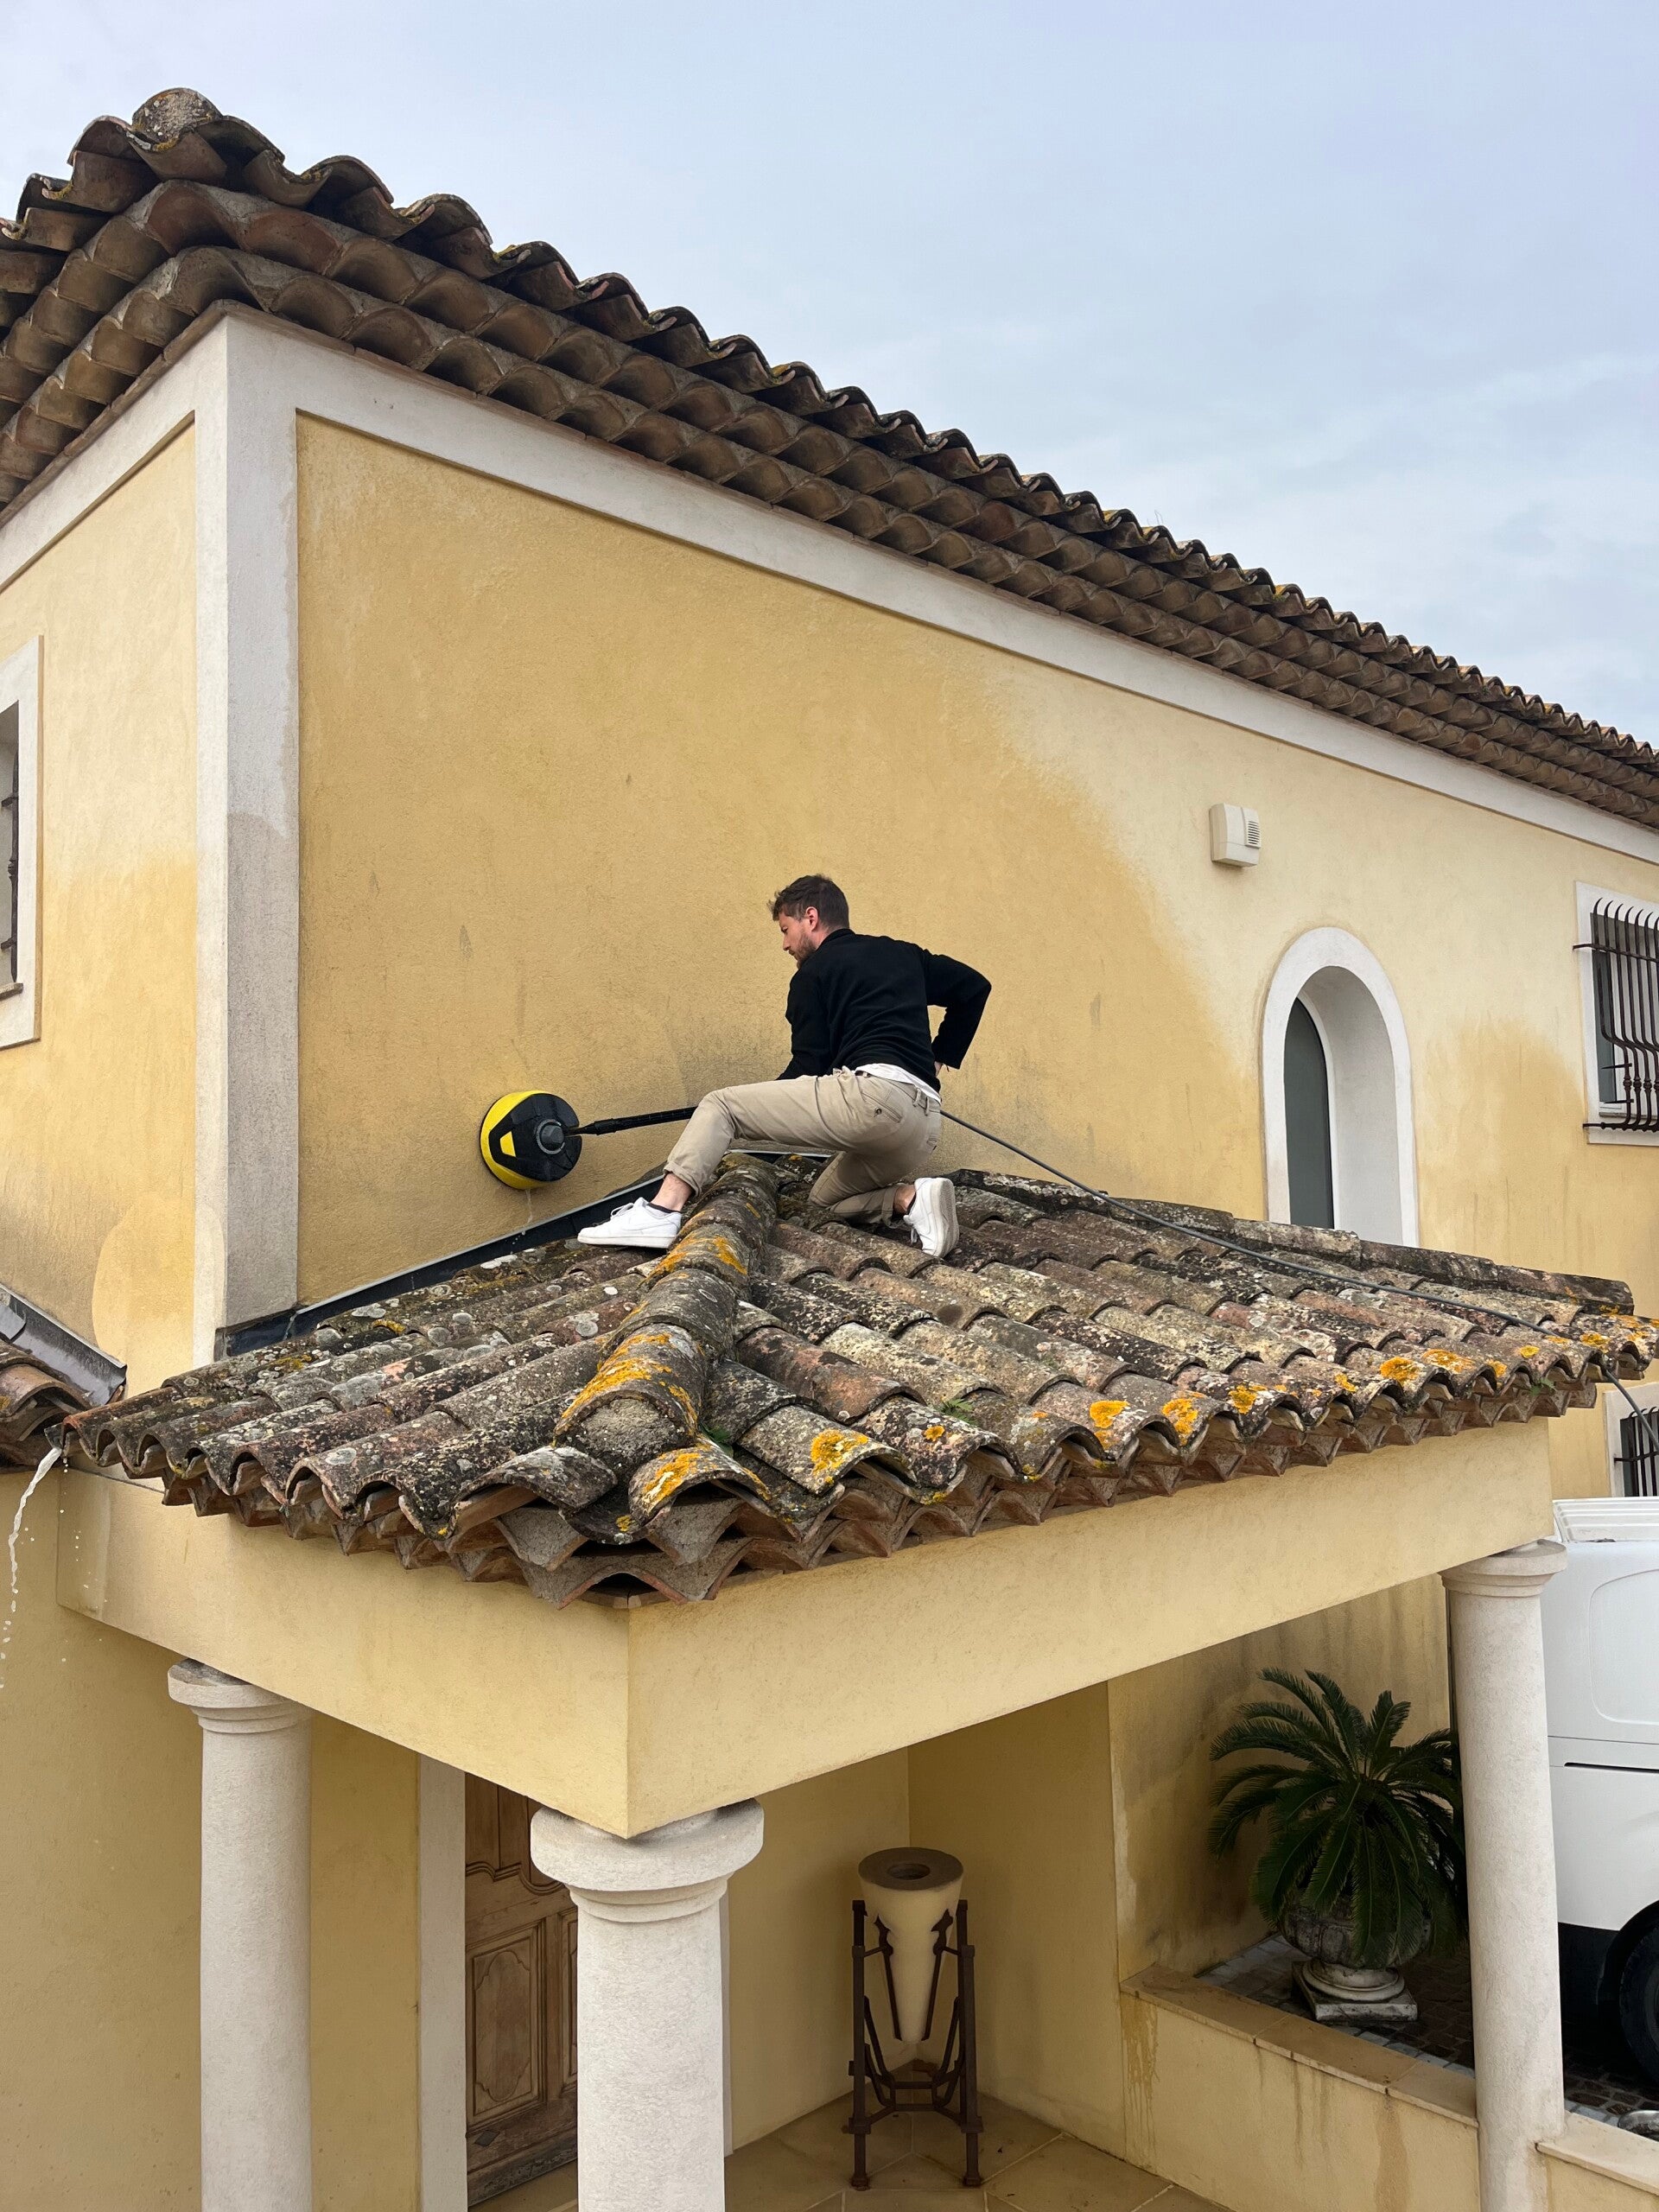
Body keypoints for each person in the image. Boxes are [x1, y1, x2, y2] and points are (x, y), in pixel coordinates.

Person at [579, 874, 991, 1258]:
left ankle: (660, 1212)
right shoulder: (904, 954)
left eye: (785, 930)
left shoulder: (814, 973)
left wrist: (747, 1113)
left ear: (810, 918)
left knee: (721, 1105)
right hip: (923, 1125)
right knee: (824, 1201)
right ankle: (911, 1199)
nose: (785, 945)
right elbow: (974, 988)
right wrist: (937, 1058)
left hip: (873, 1101)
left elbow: (808, 1067)